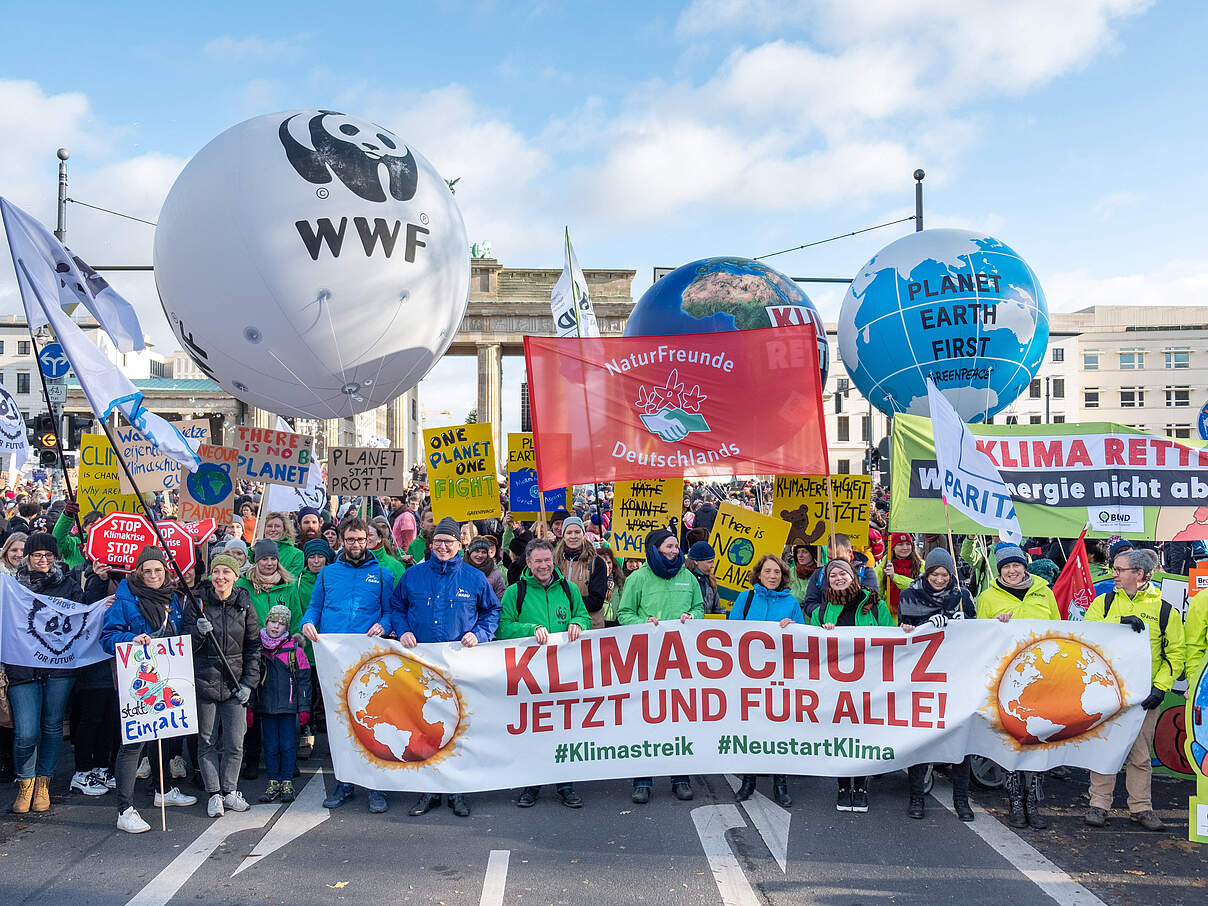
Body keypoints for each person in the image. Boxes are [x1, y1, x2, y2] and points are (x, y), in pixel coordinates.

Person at [391, 516, 500, 818]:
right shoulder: (413, 576)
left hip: (458, 666)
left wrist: (479, 634)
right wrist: (403, 630)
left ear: (459, 545)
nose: (442, 546)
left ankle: (457, 790)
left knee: (457, 727)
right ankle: (429, 789)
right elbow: (397, 607)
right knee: (424, 727)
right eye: (438, 541)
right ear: (431, 543)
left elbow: (492, 611)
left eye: (448, 542)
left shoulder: (474, 578)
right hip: (421, 666)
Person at [1084, 547, 1184, 832]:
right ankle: (1098, 804)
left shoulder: (1164, 609)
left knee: (1140, 755)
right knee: (1105, 750)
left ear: (1139, 574)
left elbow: (1176, 653)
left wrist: (1160, 688)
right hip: (1107, 691)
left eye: (1119, 570)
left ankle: (1141, 808)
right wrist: (1118, 623)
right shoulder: (1103, 603)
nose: (1113, 574)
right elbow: (1086, 635)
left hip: (1144, 696)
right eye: (1113, 569)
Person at [100, 547, 197, 832]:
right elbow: (107, 638)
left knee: (162, 736)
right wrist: (131, 638)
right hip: (137, 681)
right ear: (139, 573)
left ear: (165, 571)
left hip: (166, 676)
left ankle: (162, 791)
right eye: (147, 571)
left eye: (158, 570)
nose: (153, 575)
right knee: (133, 744)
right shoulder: (124, 600)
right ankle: (125, 809)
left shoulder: (173, 598)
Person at [301, 517, 393, 813]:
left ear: (369, 540)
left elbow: (390, 612)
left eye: (360, 539)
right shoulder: (327, 574)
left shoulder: (383, 574)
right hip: (336, 661)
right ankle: (344, 782)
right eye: (350, 539)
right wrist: (307, 623)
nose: (355, 544)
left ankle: (375, 786)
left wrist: (383, 624)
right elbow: (314, 608)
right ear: (341, 540)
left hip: (368, 661)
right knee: (341, 723)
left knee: (372, 721)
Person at [496, 538, 590, 808]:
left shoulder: (569, 589)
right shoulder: (515, 592)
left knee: (563, 729)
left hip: (564, 672)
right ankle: (531, 785)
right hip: (530, 675)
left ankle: (565, 785)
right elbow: (502, 627)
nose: (543, 565)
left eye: (547, 560)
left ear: (553, 561)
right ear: (528, 563)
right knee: (534, 732)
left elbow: (584, 617)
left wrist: (577, 622)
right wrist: (530, 629)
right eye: (537, 561)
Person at [975, 543, 1058, 829]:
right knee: (1012, 739)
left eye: (1016, 565)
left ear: (1025, 566)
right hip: (1007, 679)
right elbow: (980, 636)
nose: (1012, 571)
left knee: (1038, 739)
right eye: (1007, 567)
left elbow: (1058, 631)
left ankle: (1032, 801)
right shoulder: (987, 597)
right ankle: (1014, 800)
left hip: (1041, 678)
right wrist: (995, 625)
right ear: (999, 570)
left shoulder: (1045, 592)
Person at [618, 528, 704, 803]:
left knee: (679, 719)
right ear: (655, 549)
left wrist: (692, 617)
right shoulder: (637, 578)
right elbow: (624, 613)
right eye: (669, 546)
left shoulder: (688, 577)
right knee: (646, 718)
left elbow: (700, 608)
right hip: (647, 659)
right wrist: (642, 624)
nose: (674, 550)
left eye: (676, 546)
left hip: (680, 659)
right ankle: (642, 781)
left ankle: (681, 778)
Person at [5, 533, 81, 814]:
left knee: (52, 726)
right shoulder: (11, 585)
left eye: (49, 555)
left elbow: (84, 616)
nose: (44, 560)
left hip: (59, 668)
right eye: (38, 555)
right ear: (28, 557)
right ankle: (25, 782)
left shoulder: (69, 585)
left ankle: (43, 783)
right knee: (26, 731)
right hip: (22, 668)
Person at [899, 548, 976, 822]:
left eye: (945, 574)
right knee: (921, 739)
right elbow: (903, 631)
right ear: (927, 572)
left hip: (955, 676)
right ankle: (916, 797)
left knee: (960, 741)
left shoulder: (962, 596)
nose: (940, 579)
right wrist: (923, 625)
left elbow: (979, 632)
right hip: (922, 679)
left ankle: (961, 800)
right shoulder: (909, 595)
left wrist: (962, 623)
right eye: (935, 574)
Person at [812, 559, 893, 812]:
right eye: (833, 575)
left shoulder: (876, 606)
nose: (838, 578)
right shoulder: (820, 612)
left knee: (863, 735)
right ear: (827, 581)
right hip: (836, 686)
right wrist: (820, 633)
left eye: (843, 573)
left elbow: (892, 641)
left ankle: (860, 786)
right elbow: (810, 648)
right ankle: (843, 786)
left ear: (853, 576)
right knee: (840, 736)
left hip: (869, 684)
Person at [184, 552, 260, 818]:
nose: (220, 577)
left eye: (226, 572)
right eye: (216, 572)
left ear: (235, 576)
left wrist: (249, 683)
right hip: (204, 682)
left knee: (235, 742)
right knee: (207, 741)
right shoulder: (197, 603)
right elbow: (185, 644)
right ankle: (214, 793)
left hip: (235, 684)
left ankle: (230, 790)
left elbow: (253, 647)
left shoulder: (245, 606)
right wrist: (197, 632)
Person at [729, 554, 801, 808]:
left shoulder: (791, 602)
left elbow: (803, 639)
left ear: (783, 576)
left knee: (779, 729)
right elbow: (731, 632)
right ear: (759, 574)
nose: (772, 576)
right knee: (751, 727)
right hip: (748, 674)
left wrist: (793, 627)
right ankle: (748, 781)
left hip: (779, 675)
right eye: (768, 571)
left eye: (777, 572)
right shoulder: (745, 598)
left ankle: (780, 783)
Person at [254, 604, 312, 803]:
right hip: (266, 706)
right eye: (272, 621)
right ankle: (273, 781)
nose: (276, 626)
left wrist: (304, 708)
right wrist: (251, 706)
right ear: (266, 622)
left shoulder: (295, 651)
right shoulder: (258, 648)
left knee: (287, 745)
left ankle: (287, 781)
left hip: (288, 708)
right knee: (270, 746)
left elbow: (304, 681)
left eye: (281, 623)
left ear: (287, 627)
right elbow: (252, 679)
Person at [802, 534, 879, 621]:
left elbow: (871, 601)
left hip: (858, 626)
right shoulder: (819, 574)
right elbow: (809, 604)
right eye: (830, 558)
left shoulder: (866, 573)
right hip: (828, 625)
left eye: (839, 558)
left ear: (849, 552)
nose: (834, 563)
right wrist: (826, 613)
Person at [553, 516, 610, 628]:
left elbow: (596, 602)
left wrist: (564, 601)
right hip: (561, 625)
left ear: (583, 535)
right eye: (569, 532)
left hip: (590, 627)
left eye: (577, 532)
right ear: (563, 536)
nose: (573, 536)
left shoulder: (596, 563)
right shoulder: (555, 562)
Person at [877, 533, 922, 623]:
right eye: (900, 544)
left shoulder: (921, 565)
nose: (905, 548)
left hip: (914, 616)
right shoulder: (883, 567)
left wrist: (894, 577)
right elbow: (877, 594)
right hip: (889, 618)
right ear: (893, 547)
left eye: (908, 544)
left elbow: (919, 587)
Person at [259, 512, 305, 576]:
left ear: (284, 529)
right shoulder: (253, 551)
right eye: (269, 526)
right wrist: (252, 552)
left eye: (277, 526)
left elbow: (291, 579)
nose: (273, 529)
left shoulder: (296, 554)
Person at [367, 517, 406, 586]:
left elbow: (401, 589)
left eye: (370, 535)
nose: (366, 538)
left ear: (379, 538)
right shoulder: (353, 562)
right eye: (364, 535)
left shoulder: (395, 565)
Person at [686, 541, 722, 615]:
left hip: (707, 621)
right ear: (696, 561)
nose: (713, 566)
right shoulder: (684, 579)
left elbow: (717, 608)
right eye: (709, 562)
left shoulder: (710, 580)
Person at [787, 544, 817, 608]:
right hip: (794, 611)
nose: (800, 555)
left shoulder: (820, 572)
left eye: (805, 552)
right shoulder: (791, 572)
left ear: (812, 553)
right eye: (798, 552)